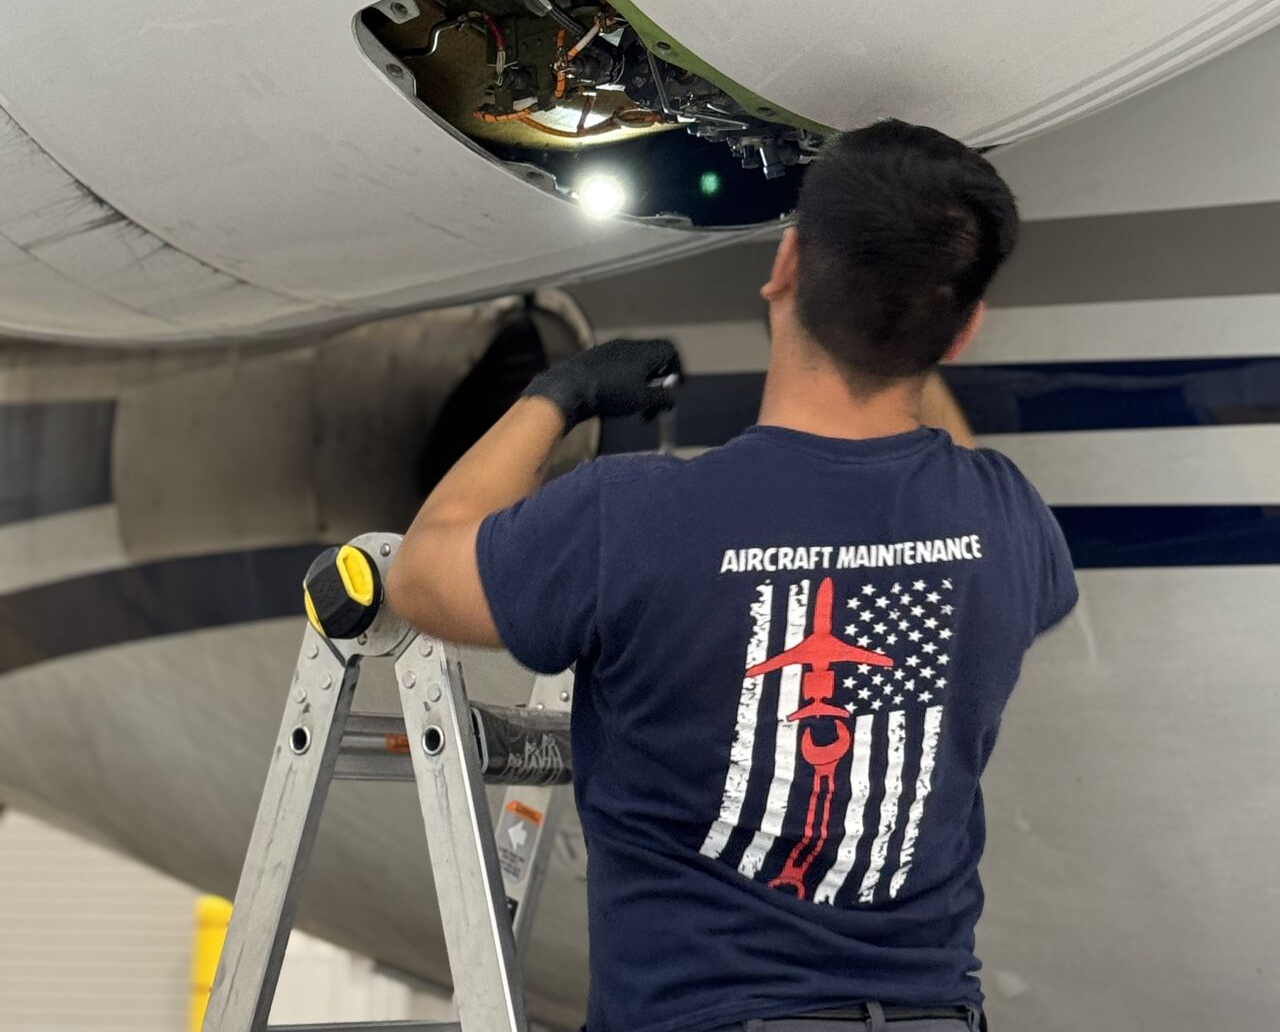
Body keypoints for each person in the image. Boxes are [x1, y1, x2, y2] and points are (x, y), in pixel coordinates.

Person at [386, 120, 1077, 1032]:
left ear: (784, 265)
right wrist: (914, 315)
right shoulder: (1002, 519)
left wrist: (557, 396)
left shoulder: (633, 519)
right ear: (964, 332)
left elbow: (421, 573)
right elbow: (940, 461)